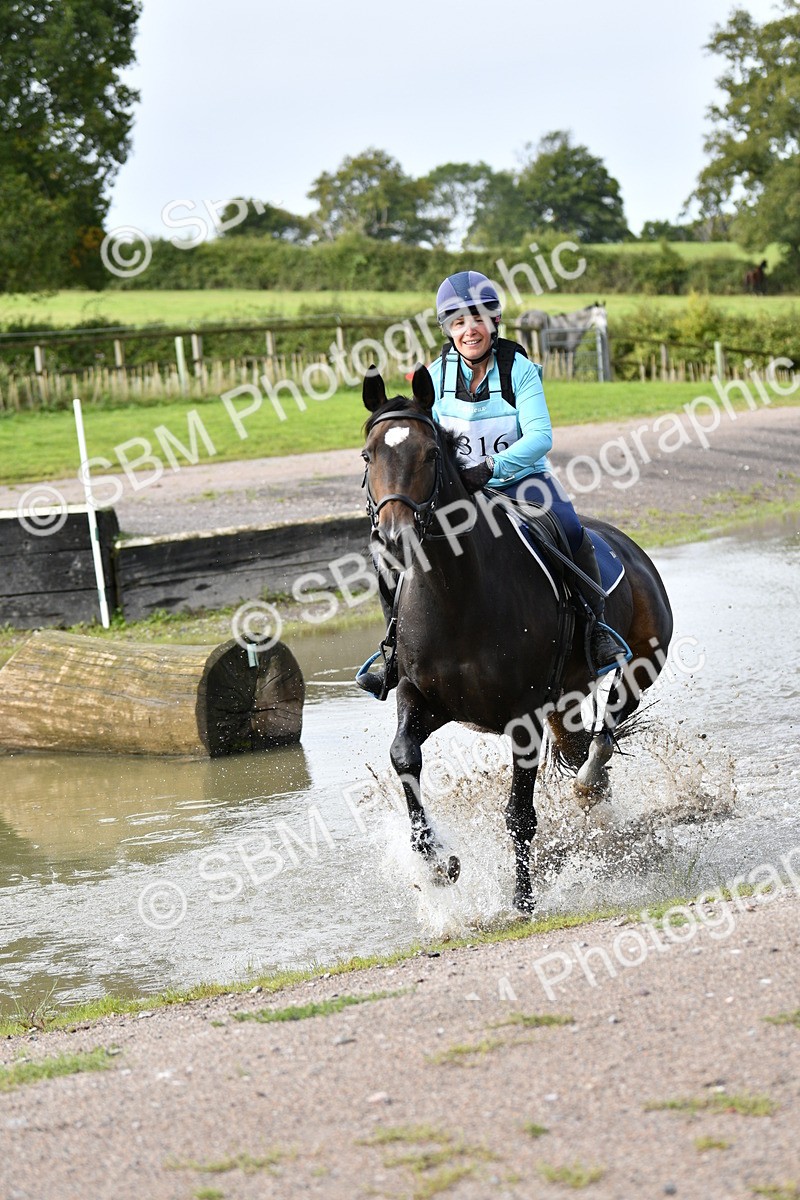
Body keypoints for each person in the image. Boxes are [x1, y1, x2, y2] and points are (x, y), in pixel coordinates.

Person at [356, 270, 625, 699]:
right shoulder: (434, 376)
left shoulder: (519, 369)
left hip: (524, 482)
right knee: (389, 551)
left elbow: (540, 437)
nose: (469, 330)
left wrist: (491, 467)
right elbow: (425, 438)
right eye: (458, 323)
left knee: (572, 530)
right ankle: (393, 651)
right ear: (448, 329)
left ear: (494, 321)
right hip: (459, 490)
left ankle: (596, 631)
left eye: (477, 319)